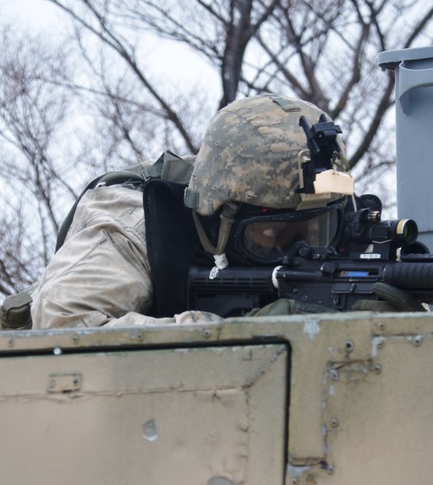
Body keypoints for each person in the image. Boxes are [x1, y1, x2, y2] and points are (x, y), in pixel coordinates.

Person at [24, 93, 355, 330]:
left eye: (317, 230)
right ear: (217, 215)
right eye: (271, 235)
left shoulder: (329, 204)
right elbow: (63, 323)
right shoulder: (135, 224)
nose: (297, 253)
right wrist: (239, 332)